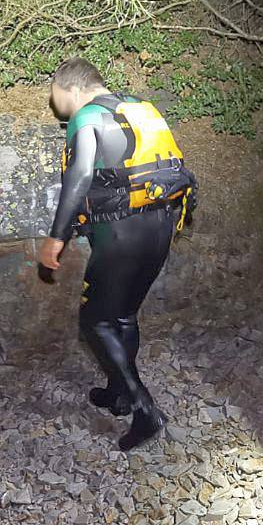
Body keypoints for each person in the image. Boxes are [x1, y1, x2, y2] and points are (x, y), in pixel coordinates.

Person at [39, 58, 195, 451]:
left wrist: (56, 237)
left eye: (55, 94)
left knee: (95, 320)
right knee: (123, 315)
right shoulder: (138, 108)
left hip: (123, 232)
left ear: (71, 88)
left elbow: (80, 175)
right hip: (161, 225)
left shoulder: (87, 115)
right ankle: (118, 392)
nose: (54, 102)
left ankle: (145, 410)